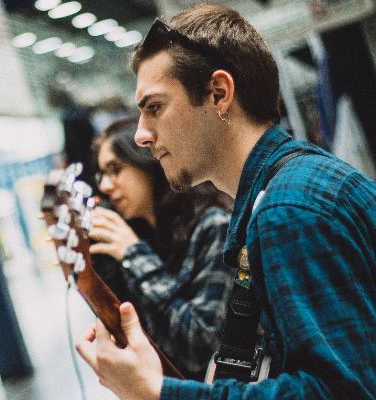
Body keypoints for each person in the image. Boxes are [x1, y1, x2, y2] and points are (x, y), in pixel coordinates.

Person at [74, 3, 376, 400]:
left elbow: (340, 391)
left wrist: (156, 392)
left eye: (155, 108)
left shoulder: (286, 211)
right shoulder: (284, 191)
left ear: (219, 93)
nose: (142, 136)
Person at [88, 113, 233, 381]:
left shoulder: (213, 226)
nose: (105, 186)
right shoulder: (142, 234)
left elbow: (201, 346)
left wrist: (134, 256)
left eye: (115, 169)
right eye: (102, 175)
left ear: (149, 163)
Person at [46, 85, 97, 188]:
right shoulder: (74, 112)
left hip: (83, 164)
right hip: (86, 162)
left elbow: (75, 146)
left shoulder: (71, 116)